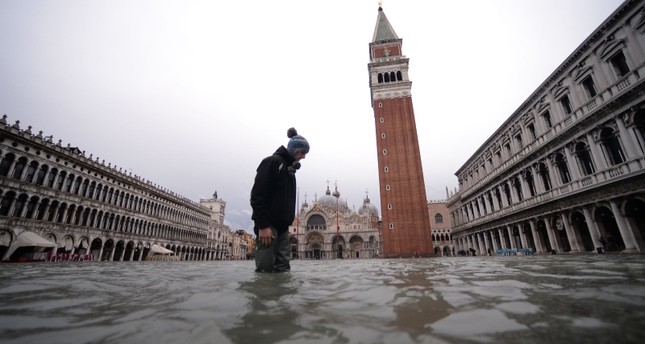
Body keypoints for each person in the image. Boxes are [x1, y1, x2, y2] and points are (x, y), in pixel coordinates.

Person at [250, 127, 309, 272]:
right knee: (265, 269)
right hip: (268, 228)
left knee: (283, 269)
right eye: (302, 152)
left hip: (283, 230)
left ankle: (280, 295)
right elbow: (258, 196)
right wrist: (263, 226)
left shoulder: (290, 171)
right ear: (295, 150)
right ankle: (265, 295)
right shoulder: (272, 162)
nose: (303, 157)